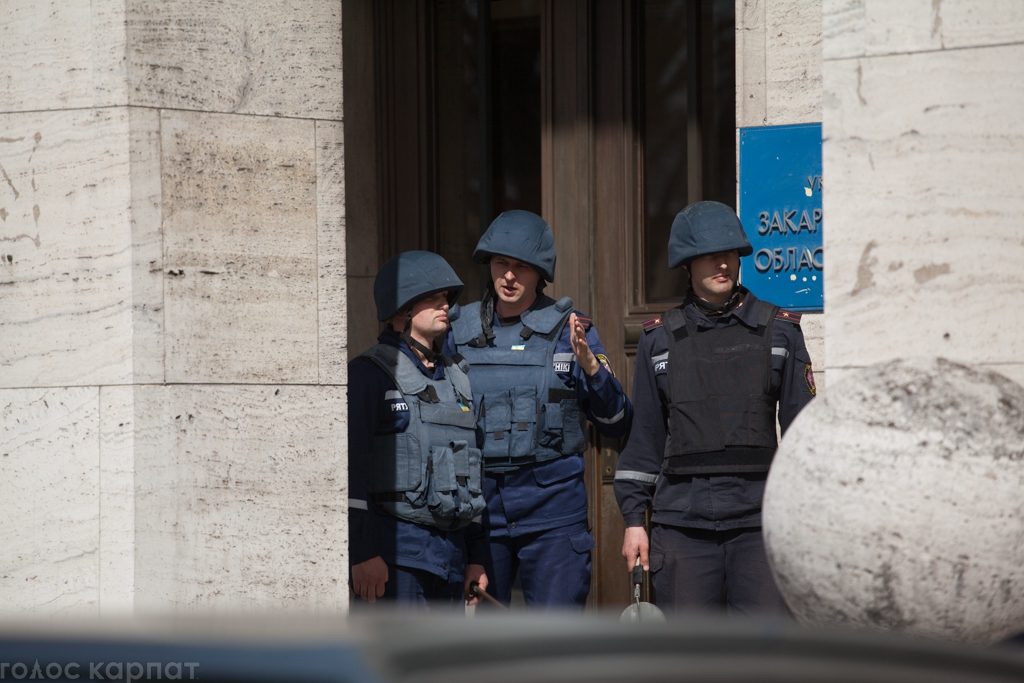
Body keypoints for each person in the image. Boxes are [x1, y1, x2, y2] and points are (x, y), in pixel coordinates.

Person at [614, 201, 815, 614]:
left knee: (767, 657)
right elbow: (645, 439)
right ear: (687, 264)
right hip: (683, 529)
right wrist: (635, 519)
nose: (722, 263)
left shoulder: (781, 332)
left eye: (729, 253)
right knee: (691, 662)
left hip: (761, 527)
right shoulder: (659, 341)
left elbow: (805, 439)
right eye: (709, 255)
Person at [445, 210, 633, 608]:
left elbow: (616, 421)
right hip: (480, 518)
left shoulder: (572, 330)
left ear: (540, 272)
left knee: (556, 647)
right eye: (501, 264)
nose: (509, 276)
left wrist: (591, 367)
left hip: (553, 516)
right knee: (488, 653)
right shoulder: (456, 333)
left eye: (521, 267)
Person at [348, 251, 489, 608]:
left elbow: (472, 474)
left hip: (452, 561)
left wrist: (477, 556)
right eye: (434, 298)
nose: (446, 306)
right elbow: (350, 469)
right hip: (395, 561)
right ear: (402, 309)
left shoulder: (458, 379)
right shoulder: (369, 373)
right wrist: (360, 552)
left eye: (447, 298)